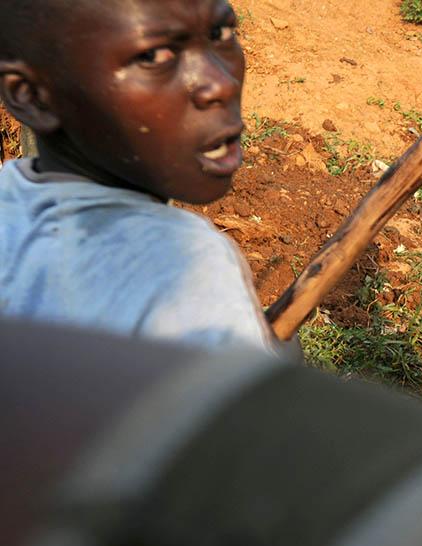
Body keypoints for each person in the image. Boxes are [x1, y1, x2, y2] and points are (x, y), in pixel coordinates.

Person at [0, 0, 280, 353]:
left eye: (221, 34)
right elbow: (241, 408)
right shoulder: (182, 265)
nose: (220, 84)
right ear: (32, 97)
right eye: (153, 56)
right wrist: (275, 367)